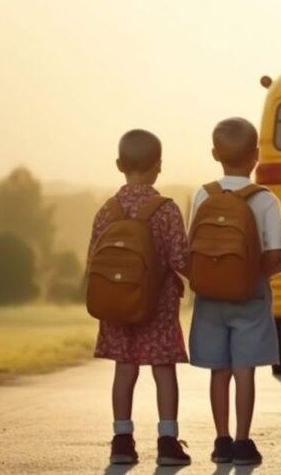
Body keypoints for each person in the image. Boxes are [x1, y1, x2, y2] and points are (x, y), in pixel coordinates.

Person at [188, 117, 281, 466]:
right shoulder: (265, 200)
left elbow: (193, 244)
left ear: (215, 154)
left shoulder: (204, 194)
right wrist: (255, 274)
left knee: (220, 370)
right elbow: (276, 253)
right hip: (251, 294)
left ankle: (221, 440)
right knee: (245, 370)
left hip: (210, 296)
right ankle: (243, 441)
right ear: (256, 155)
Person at [91, 129, 191, 466]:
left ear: (119, 164)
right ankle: (167, 442)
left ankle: (121, 440)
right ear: (158, 166)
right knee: (164, 370)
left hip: (118, 303)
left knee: (125, 369)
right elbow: (180, 259)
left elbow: (94, 259)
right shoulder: (165, 210)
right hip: (158, 306)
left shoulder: (107, 210)